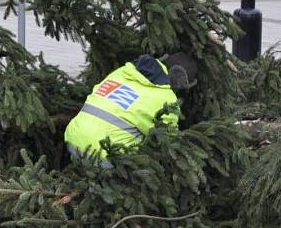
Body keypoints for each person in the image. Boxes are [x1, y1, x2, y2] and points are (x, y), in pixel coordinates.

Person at [64, 53, 199, 160]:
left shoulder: (123, 71)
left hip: (72, 139)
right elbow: (169, 142)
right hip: (106, 156)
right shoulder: (167, 99)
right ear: (179, 82)